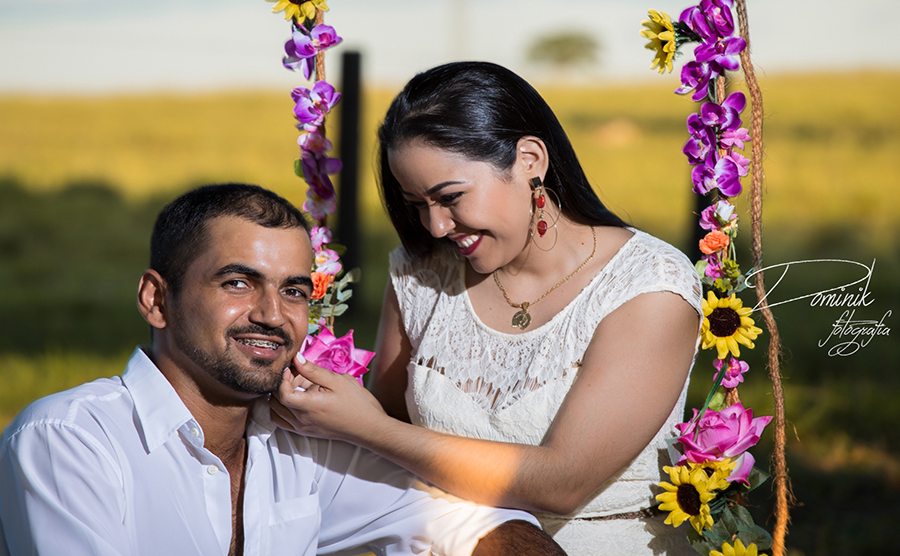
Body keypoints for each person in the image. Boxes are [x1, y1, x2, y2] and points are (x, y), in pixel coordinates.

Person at [271, 62, 704, 555]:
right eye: (416, 203)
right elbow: (391, 438)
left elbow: (564, 482)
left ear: (530, 160)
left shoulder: (647, 286)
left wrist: (369, 428)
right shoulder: (420, 275)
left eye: (449, 197)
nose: (435, 226)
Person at [0, 183, 567, 556]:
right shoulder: (69, 441)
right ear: (157, 300)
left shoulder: (299, 444)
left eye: (295, 290)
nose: (273, 315)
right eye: (238, 282)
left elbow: (465, 525)